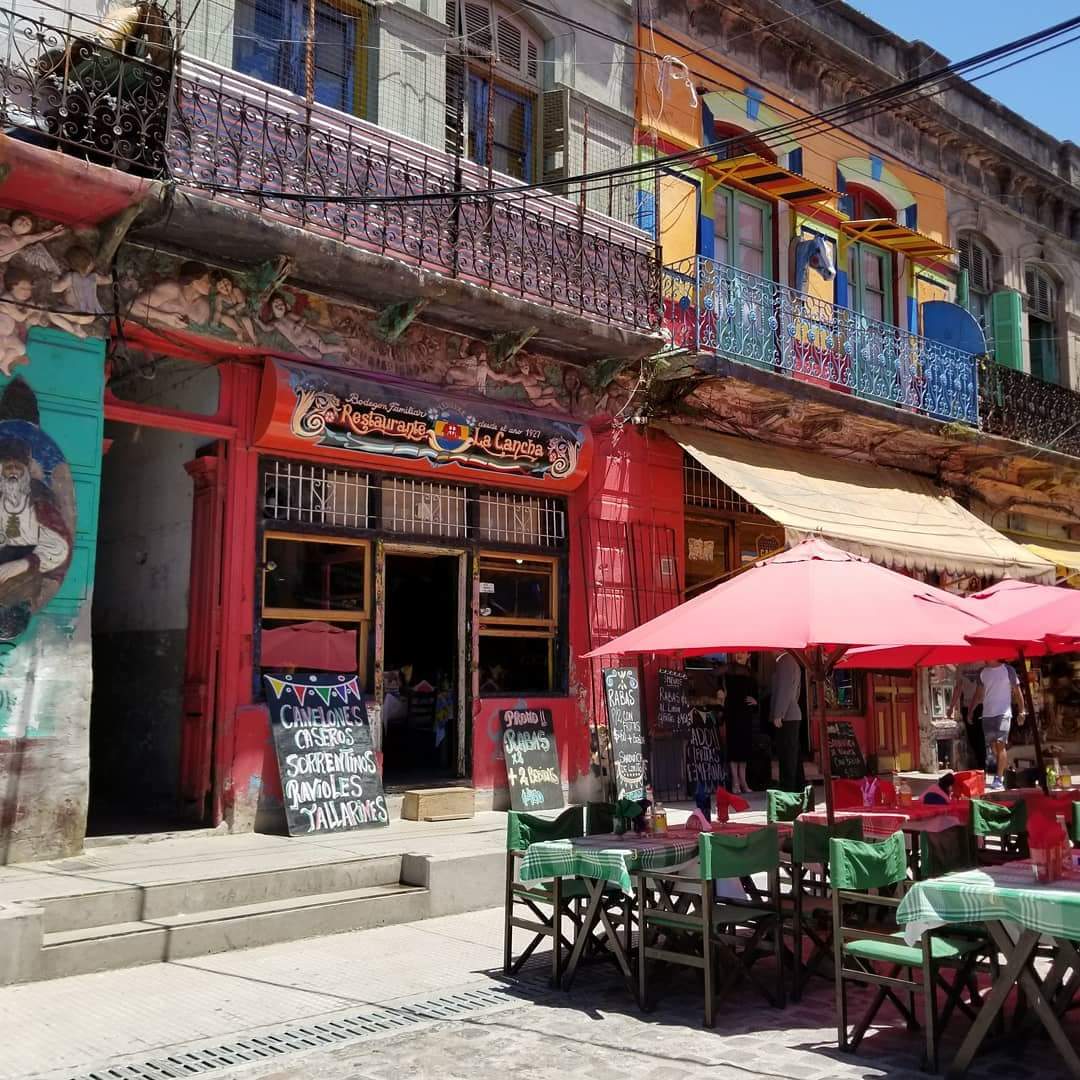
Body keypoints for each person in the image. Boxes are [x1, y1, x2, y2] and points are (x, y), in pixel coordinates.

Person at [973, 661, 1023, 790]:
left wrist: (1022, 711)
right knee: (993, 747)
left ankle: (998, 778)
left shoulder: (1008, 670)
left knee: (1000, 745)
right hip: (987, 714)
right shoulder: (982, 672)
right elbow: (978, 694)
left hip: (1003, 713)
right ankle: (1006, 770)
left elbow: (1017, 691)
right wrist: (971, 710)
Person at [724, 651, 758, 794]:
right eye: (737, 652)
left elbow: (756, 693)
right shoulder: (729, 668)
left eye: (743, 652)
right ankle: (735, 782)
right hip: (732, 712)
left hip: (745, 713)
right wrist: (720, 691)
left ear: (749, 655)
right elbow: (712, 675)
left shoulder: (751, 672)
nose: (739, 654)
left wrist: (755, 701)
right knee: (733, 747)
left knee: (744, 748)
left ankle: (743, 781)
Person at [771, 650, 804, 792]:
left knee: (787, 754)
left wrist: (779, 713)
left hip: (787, 715)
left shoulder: (785, 661)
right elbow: (796, 691)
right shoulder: (793, 661)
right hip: (792, 711)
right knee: (793, 753)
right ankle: (797, 787)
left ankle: (788, 788)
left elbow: (784, 689)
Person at [948, 664, 984, 770]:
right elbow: (958, 687)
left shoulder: (982, 664)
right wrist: (951, 707)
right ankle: (979, 765)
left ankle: (982, 767)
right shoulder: (961, 667)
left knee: (980, 737)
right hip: (966, 705)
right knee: (972, 738)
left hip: (981, 704)